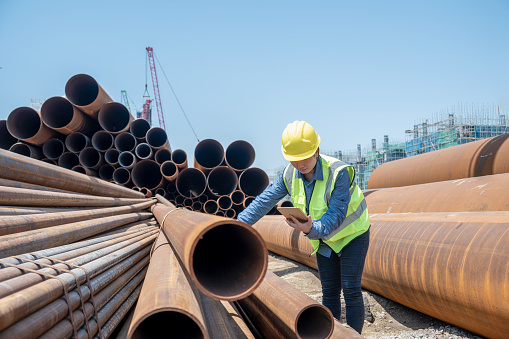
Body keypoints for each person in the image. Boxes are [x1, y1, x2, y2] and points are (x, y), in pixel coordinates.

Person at [237, 120, 370, 334]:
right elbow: (264, 202)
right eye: (294, 159)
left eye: (305, 157)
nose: (300, 164)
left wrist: (309, 229)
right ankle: (333, 335)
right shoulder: (288, 174)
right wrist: (237, 225)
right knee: (329, 291)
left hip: (352, 234)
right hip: (323, 238)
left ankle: (353, 336)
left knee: (351, 289)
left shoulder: (339, 173)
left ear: (316, 150)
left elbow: (335, 216)